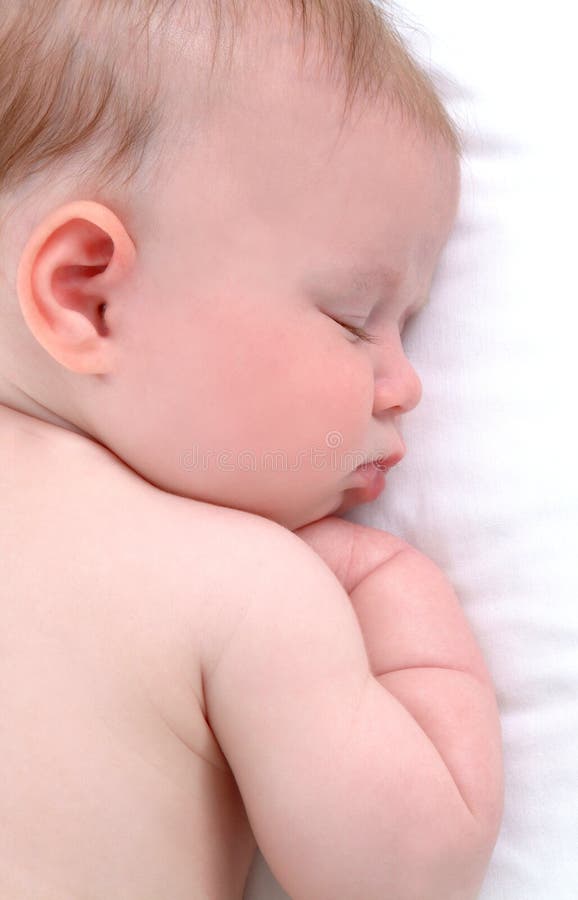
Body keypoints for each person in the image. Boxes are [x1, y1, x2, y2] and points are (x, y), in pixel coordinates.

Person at [0, 1, 503, 897]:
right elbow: (407, 873)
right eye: (354, 320)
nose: (408, 384)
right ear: (89, 297)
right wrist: (402, 605)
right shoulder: (243, 584)